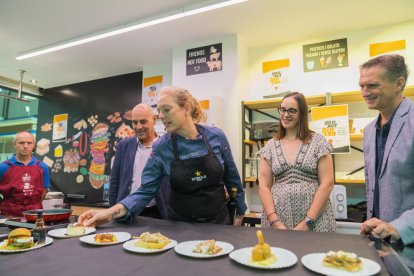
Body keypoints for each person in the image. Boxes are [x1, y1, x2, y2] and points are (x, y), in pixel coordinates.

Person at [79, 86, 247, 226]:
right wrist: (109, 213)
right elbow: (144, 191)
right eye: (159, 111)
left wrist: (239, 212)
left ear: (186, 108)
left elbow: (232, 178)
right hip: (180, 226)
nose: (161, 116)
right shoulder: (161, 147)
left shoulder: (216, 136)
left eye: (166, 110)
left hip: (218, 222)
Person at [258, 92, 336, 232]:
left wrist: (308, 222)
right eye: (282, 109)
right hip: (278, 220)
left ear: (302, 113)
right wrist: (274, 220)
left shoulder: (318, 142)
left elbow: (327, 183)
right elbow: (264, 186)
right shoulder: (270, 146)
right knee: (279, 253)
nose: (285, 114)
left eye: (292, 110)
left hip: (316, 221)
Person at [359, 54, 414, 245]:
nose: (365, 92)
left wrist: (400, 227)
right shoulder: (368, 132)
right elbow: (372, 187)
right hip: (379, 240)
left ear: (399, 83)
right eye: (362, 86)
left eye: (372, 85)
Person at [109, 103, 165, 219]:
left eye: (143, 121)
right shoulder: (124, 145)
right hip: (126, 211)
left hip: (158, 213)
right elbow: (115, 182)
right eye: (135, 122)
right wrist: (112, 212)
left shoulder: (166, 145)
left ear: (154, 120)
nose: (138, 127)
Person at [0, 131, 50, 217]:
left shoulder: (43, 167)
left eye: (29, 143)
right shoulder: (3, 167)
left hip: (34, 214)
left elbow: (43, 193)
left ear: (34, 145)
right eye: (21, 143)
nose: (25, 146)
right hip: (9, 214)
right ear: (14, 144)